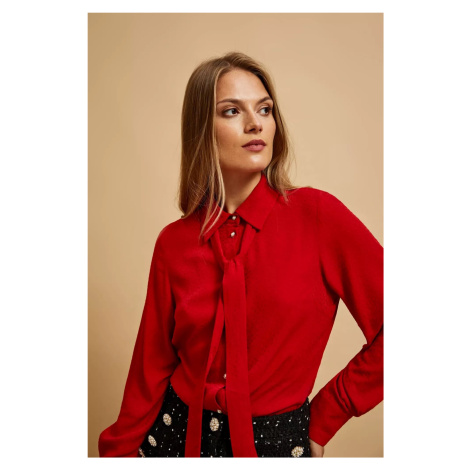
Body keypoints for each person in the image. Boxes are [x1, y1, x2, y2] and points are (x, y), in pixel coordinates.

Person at [98, 51, 383, 458]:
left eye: (264, 109)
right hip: (173, 441)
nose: (255, 123)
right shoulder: (173, 243)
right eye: (232, 111)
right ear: (202, 129)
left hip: (277, 445)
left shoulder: (319, 217)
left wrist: (326, 415)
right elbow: (150, 370)